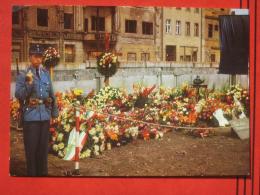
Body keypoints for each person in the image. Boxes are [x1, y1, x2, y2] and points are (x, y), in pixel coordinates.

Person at [15, 44, 59, 176]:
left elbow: (51, 94)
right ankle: (32, 180)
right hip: (31, 117)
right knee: (31, 151)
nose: (38, 60)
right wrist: (28, 85)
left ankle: (43, 178)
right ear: (30, 57)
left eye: (40, 57)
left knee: (43, 151)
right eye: (35, 56)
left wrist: (54, 113)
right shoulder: (24, 75)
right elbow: (19, 95)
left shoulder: (45, 74)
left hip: (44, 116)